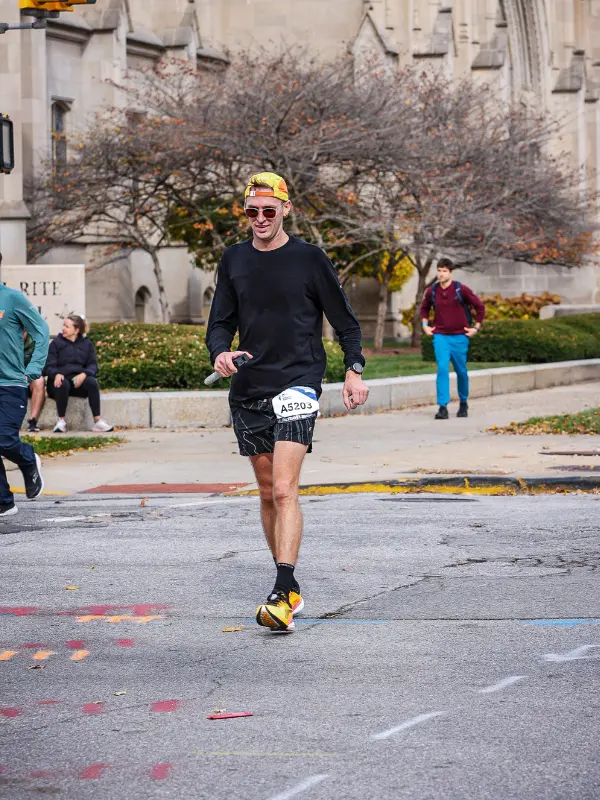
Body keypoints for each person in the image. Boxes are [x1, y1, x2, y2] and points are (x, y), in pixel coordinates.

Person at [206, 171, 369, 632]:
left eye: (268, 211)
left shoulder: (310, 259)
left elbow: (346, 322)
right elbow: (220, 321)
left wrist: (353, 369)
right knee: (264, 491)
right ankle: (289, 584)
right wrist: (219, 351)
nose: (260, 219)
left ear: (286, 210)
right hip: (249, 388)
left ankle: (282, 586)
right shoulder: (233, 259)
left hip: (298, 382)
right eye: (252, 211)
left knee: (283, 488)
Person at [0, 252, 49, 517]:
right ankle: (4, 502)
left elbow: (41, 331)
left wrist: (34, 368)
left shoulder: (12, 298)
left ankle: (28, 459)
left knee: (4, 439)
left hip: (9, 383)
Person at [420, 257, 486, 419]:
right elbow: (424, 308)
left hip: (459, 337)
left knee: (461, 371)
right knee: (442, 369)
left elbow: (480, 307)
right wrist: (425, 325)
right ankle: (442, 407)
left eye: (444, 271)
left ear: (451, 272)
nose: (441, 274)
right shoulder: (432, 291)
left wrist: (476, 327)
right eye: (439, 271)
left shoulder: (460, 289)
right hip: (440, 336)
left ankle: (463, 403)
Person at [45, 315, 113, 433]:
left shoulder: (87, 344)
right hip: (57, 384)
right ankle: (61, 421)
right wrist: (56, 374)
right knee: (63, 383)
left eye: (67, 326)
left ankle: (97, 422)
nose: (63, 329)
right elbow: (48, 366)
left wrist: (84, 374)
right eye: (64, 325)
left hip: (77, 382)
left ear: (76, 330)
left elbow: (93, 365)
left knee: (92, 382)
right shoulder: (56, 344)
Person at [23, 332, 46, 432]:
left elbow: (41, 363)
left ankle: (33, 421)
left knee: (39, 381)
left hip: (29, 376)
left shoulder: (36, 339)